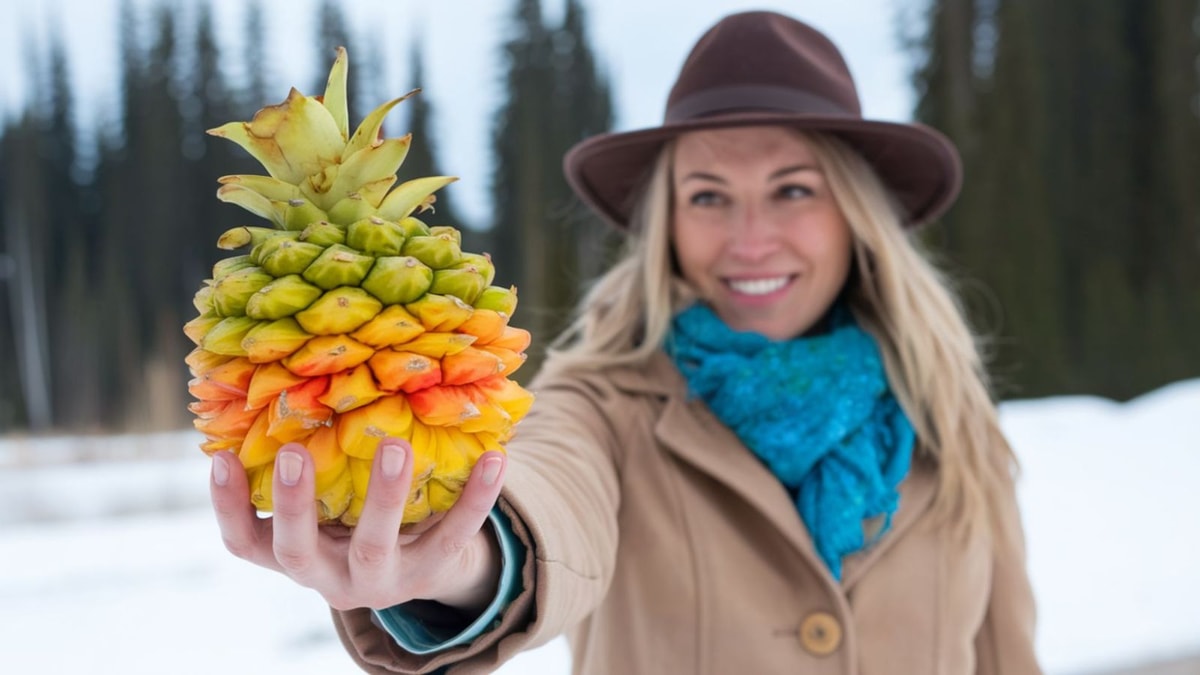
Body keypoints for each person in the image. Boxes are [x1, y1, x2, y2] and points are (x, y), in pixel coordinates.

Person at [209, 10, 1042, 674]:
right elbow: (548, 491)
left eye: (793, 190)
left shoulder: (949, 420)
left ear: (859, 217)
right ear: (667, 224)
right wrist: (454, 566)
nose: (750, 240)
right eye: (709, 196)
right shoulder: (605, 403)